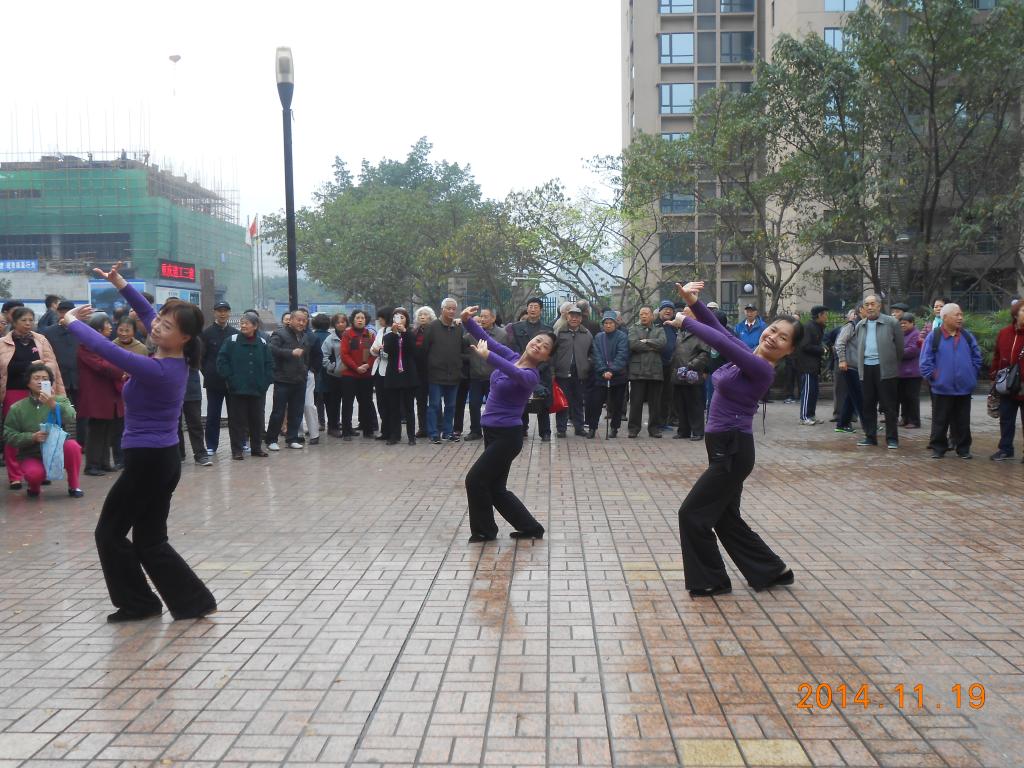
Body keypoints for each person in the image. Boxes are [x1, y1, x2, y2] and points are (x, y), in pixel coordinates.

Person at [64, 261, 216, 623]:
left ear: (184, 338)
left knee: (109, 533)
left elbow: (107, 349)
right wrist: (120, 283)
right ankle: (193, 602)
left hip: (148, 462)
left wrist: (70, 322)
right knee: (150, 539)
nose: (157, 326)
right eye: (160, 320)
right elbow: (147, 312)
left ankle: (139, 604)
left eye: (167, 326)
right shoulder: (169, 354)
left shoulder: (160, 369)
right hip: (160, 460)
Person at [672, 281, 801, 598]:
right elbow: (722, 332)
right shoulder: (748, 353)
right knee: (725, 518)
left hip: (732, 450)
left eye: (783, 338)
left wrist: (686, 321)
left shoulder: (761, 368)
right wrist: (694, 303)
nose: (773, 337)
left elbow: (720, 342)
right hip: (724, 446)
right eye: (773, 330)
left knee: (692, 514)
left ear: (790, 350)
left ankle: (711, 580)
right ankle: (771, 571)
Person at [461, 305, 553, 542]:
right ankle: (531, 528)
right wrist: (467, 320)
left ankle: (484, 531)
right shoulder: (512, 356)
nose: (538, 345)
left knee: (475, 479)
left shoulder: (531, 376)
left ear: (545, 357)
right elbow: (487, 339)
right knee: (495, 488)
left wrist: (488, 357)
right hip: (491, 431)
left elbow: (514, 373)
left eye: (544, 347)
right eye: (538, 340)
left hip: (508, 437)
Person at [2, 307, 66, 489]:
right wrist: (30, 364)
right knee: (14, 431)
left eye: (31, 320)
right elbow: (7, 367)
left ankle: (41, 470)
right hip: (14, 391)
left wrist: (46, 372)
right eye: (24, 320)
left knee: (43, 430)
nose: (28, 323)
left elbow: (51, 363)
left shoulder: (40, 340)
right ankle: (15, 475)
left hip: (40, 392)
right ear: (14, 322)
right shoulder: (4, 343)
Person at [2, 362, 83, 498]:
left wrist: (53, 405)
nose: (41, 381)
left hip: (57, 449)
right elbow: (8, 435)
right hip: (31, 453)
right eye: (36, 378)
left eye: (45, 379)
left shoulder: (60, 400)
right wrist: (32, 437)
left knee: (73, 446)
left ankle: (74, 486)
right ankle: (34, 487)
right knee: (34, 474)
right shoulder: (17, 408)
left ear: (50, 383)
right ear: (28, 383)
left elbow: (70, 417)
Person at [920, 303, 981, 459]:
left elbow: (977, 357)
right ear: (945, 317)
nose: (960, 318)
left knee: (963, 421)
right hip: (942, 387)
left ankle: (963, 448)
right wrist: (934, 376)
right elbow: (925, 361)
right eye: (957, 315)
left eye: (961, 315)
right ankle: (938, 448)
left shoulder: (967, 336)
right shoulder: (934, 336)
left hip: (964, 387)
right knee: (940, 420)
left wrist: (971, 374)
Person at [217, 311, 274, 460]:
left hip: (257, 389)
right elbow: (222, 361)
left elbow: (269, 364)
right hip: (238, 389)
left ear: (255, 326)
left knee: (257, 420)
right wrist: (230, 379)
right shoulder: (232, 341)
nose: (243, 325)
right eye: (242, 323)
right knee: (237, 421)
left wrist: (265, 382)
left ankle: (256, 448)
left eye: (246, 323)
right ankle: (237, 450)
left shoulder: (262, 343)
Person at [851, 295, 903, 449]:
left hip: (885, 369)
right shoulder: (860, 325)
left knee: (889, 406)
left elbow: (900, 348)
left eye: (872, 304)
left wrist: (892, 364)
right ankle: (870, 436)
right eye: (866, 304)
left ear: (879, 306)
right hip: (866, 368)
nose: (869, 307)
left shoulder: (891, 322)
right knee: (868, 405)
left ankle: (892, 439)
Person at [76, 314, 125, 476]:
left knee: (107, 428)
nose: (110, 327)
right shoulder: (86, 346)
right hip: (97, 394)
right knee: (97, 430)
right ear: (97, 329)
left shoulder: (104, 345)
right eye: (106, 324)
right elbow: (102, 366)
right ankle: (92, 465)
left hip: (108, 393)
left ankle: (104, 463)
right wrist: (122, 369)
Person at [506, 297, 554, 442]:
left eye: (536, 307)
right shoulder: (517, 327)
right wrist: (525, 366)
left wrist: (536, 369)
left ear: (541, 310)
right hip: (523, 369)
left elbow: (550, 354)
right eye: (530, 306)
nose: (533, 309)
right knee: (522, 400)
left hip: (542, 371)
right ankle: (522, 429)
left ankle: (545, 432)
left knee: (543, 402)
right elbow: (514, 349)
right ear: (527, 309)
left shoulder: (548, 329)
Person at [423, 298, 470, 445]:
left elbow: (463, 348)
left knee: (451, 406)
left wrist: (459, 363)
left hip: (454, 374)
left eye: (453, 309)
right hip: (436, 374)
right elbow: (424, 349)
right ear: (442, 309)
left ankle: (448, 432)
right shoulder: (432, 327)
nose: (451, 311)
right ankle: (433, 433)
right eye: (448, 308)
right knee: (434, 405)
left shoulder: (458, 328)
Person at [265, 308, 313, 451]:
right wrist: (290, 353)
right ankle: (271, 439)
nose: (301, 323)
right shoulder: (279, 334)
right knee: (278, 412)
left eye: (304, 320)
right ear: (290, 320)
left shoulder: (304, 336)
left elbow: (306, 357)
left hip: (300, 379)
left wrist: (305, 370)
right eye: (299, 320)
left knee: (296, 411)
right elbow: (270, 349)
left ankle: (292, 438)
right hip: (283, 379)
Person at [42, 300, 86, 450]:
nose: (64, 314)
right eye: (62, 311)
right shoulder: (48, 332)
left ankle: (82, 444)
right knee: (58, 411)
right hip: (59, 378)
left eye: (68, 311)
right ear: (57, 313)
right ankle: (61, 442)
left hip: (80, 378)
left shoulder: (82, 330)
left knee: (82, 413)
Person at [199, 300, 237, 456]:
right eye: (219, 311)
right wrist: (208, 372)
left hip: (232, 382)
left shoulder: (235, 333)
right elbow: (201, 358)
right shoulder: (206, 333)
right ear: (214, 313)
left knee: (235, 415)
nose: (222, 314)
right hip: (213, 382)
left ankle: (239, 443)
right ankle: (211, 445)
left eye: (225, 311)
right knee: (213, 415)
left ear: (229, 313)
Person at [667, 306, 710, 440]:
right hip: (678, 373)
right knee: (680, 404)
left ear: (695, 315)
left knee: (694, 404)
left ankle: (697, 431)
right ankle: (683, 431)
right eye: (683, 313)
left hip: (692, 374)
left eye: (686, 313)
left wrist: (691, 365)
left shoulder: (701, 332)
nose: (683, 315)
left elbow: (705, 354)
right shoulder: (681, 331)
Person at [465, 308, 507, 441]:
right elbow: (462, 346)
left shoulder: (502, 335)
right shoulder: (472, 334)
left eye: (486, 317)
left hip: (493, 377)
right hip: (476, 376)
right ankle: (475, 431)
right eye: (481, 316)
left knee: (494, 405)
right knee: (474, 404)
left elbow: (506, 355)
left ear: (493, 318)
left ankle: (494, 429)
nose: (482, 319)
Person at [585, 311, 629, 438]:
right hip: (601, 376)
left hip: (618, 376)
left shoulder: (622, 336)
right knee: (595, 403)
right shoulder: (598, 337)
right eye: (606, 323)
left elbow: (622, 355)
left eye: (611, 323)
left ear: (615, 324)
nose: (608, 325)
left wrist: (612, 370)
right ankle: (592, 427)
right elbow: (596, 354)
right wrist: (603, 370)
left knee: (617, 404)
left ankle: (614, 427)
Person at [989, 300, 1024, 461]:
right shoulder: (1004, 333)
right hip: (1007, 384)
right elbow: (997, 356)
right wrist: (994, 375)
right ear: (1015, 314)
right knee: (1006, 419)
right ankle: (1005, 449)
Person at [380, 307, 419, 445]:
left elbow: (413, 351)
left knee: (409, 408)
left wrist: (404, 333)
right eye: (396, 317)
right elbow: (388, 350)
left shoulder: (411, 334)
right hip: (393, 375)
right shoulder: (388, 336)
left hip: (408, 375)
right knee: (394, 407)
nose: (399, 320)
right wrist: (394, 333)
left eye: (402, 317)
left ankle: (411, 436)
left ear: (406, 320)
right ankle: (394, 435)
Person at [553, 306, 593, 437]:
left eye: (577, 316)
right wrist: (553, 370)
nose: (574, 318)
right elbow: (552, 353)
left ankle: (579, 427)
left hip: (580, 373)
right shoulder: (559, 332)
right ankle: (561, 429)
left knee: (578, 401)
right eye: (572, 316)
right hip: (562, 372)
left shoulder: (587, 334)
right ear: (567, 317)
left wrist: (588, 364)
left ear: (581, 318)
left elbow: (592, 352)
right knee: (563, 402)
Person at [627, 306, 666, 438]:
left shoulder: (659, 329)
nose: (643, 316)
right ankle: (633, 429)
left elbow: (662, 344)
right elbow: (633, 344)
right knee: (635, 402)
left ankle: (654, 428)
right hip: (637, 371)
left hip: (655, 371)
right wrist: (652, 347)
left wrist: (646, 341)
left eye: (646, 314)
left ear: (652, 316)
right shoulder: (633, 328)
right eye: (641, 314)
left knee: (655, 403)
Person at [340, 309, 377, 440]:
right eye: (357, 318)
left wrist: (367, 365)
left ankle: (368, 430)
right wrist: (356, 368)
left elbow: (373, 353)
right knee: (347, 403)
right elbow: (344, 354)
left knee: (366, 402)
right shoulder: (347, 334)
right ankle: (346, 431)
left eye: (362, 318)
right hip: (349, 375)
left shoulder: (369, 335)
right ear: (353, 320)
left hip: (366, 375)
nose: (360, 320)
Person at [833, 307, 864, 434]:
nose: (870, 308)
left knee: (852, 396)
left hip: (860, 366)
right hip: (850, 366)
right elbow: (840, 343)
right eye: (867, 306)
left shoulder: (865, 325)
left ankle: (842, 423)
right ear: (860, 310)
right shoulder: (851, 325)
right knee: (859, 395)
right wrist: (842, 360)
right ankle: (868, 423)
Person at [796, 306, 828, 426]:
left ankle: (811, 415)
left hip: (814, 365)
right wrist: (821, 350)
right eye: (825, 314)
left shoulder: (818, 327)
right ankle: (804, 417)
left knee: (814, 392)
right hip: (807, 365)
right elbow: (805, 346)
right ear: (819, 315)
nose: (826, 317)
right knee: (807, 391)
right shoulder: (808, 327)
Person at [321, 312, 349, 437]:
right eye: (338, 322)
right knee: (334, 402)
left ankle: (347, 426)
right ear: (334, 324)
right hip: (334, 376)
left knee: (348, 402)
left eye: (343, 322)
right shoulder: (330, 339)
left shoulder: (350, 336)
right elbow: (324, 356)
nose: (341, 324)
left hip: (349, 375)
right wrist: (331, 368)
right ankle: (333, 426)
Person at [178, 368, 210, 466]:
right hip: (172, 387)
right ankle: (178, 454)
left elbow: (199, 362)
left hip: (191, 387)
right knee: (174, 425)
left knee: (195, 423)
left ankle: (200, 454)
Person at [656, 300, 680, 430]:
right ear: (659, 311)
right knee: (657, 395)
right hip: (657, 365)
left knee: (668, 395)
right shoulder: (655, 325)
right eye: (665, 308)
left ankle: (665, 421)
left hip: (672, 366)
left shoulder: (675, 326)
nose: (668, 311)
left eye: (670, 309)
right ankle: (657, 422)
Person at [412, 307, 436, 438]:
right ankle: (423, 428)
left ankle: (436, 427)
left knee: (434, 401)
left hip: (432, 370)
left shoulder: (435, 331)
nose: (422, 316)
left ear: (430, 317)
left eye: (425, 314)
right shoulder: (414, 332)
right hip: (418, 371)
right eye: (420, 314)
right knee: (420, 401)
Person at [896, 313, 923, 429]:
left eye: (905, 323)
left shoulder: (916, 334)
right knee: (903, 397)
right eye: (901, 323)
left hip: (913, 373)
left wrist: (896, 352)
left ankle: (914, 420)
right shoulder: (900, 334)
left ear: (912, 323)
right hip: (901, 373)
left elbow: (913, 350)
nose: (902, 325)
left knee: (912, 398)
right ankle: (905, 418)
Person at [309, 313, 331, 434]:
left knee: (317, 400)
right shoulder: (331, 337)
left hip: (315, 372)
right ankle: (333, 422)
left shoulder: (311, 337)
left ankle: (320, 422)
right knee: (331, 400)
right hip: (329, 373)